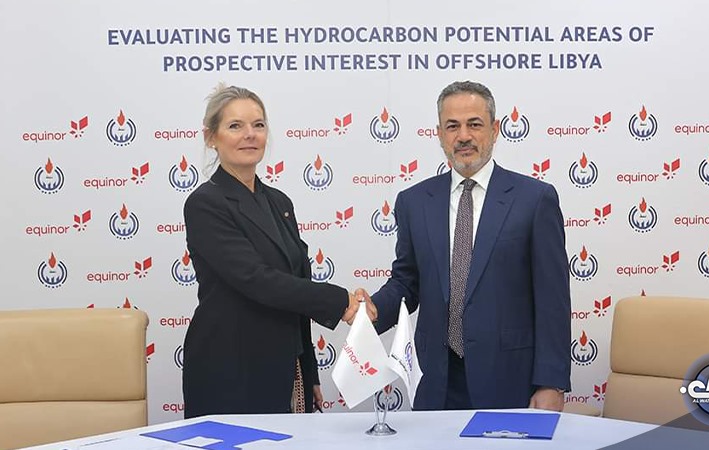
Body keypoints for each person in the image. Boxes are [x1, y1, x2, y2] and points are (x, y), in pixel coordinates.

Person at [363, 80, 571, 411]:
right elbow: (407, 282)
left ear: (495, 130)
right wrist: (372, 310)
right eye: (452, 126)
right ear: (439, 134)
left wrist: (551, 382)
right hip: (436, 381)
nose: (463, 136)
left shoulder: (534, 200)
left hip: (509, 380)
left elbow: (552, 301)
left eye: (474, 124)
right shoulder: (414, 202)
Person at [181, 85, 365, 418]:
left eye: (258, 125)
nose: (250, 135)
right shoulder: (205, 204)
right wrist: (340, 301)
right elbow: (256, 279)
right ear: (211, 137)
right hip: (229, 367)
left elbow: (296, 287)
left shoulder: (280, 202)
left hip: (285, 365)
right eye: (235, 126)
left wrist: (309, 370)